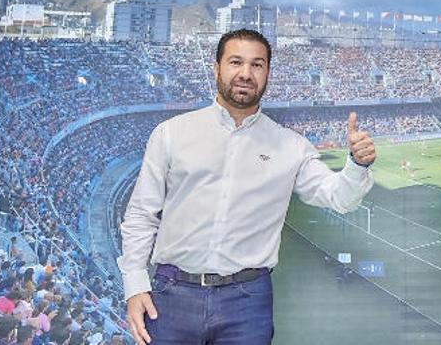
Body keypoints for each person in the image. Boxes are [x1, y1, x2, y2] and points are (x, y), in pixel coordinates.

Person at [118, 29, 376, 345]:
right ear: (216, 68)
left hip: (247, 301)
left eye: (257, 65)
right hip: (172, 294)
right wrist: (134, 284)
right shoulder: (171, 134)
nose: (245, 73)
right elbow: (141, 215)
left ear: (267, 73)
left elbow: (340, 197)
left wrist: (357, 163)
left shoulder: (290, 146)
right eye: (236, 62)